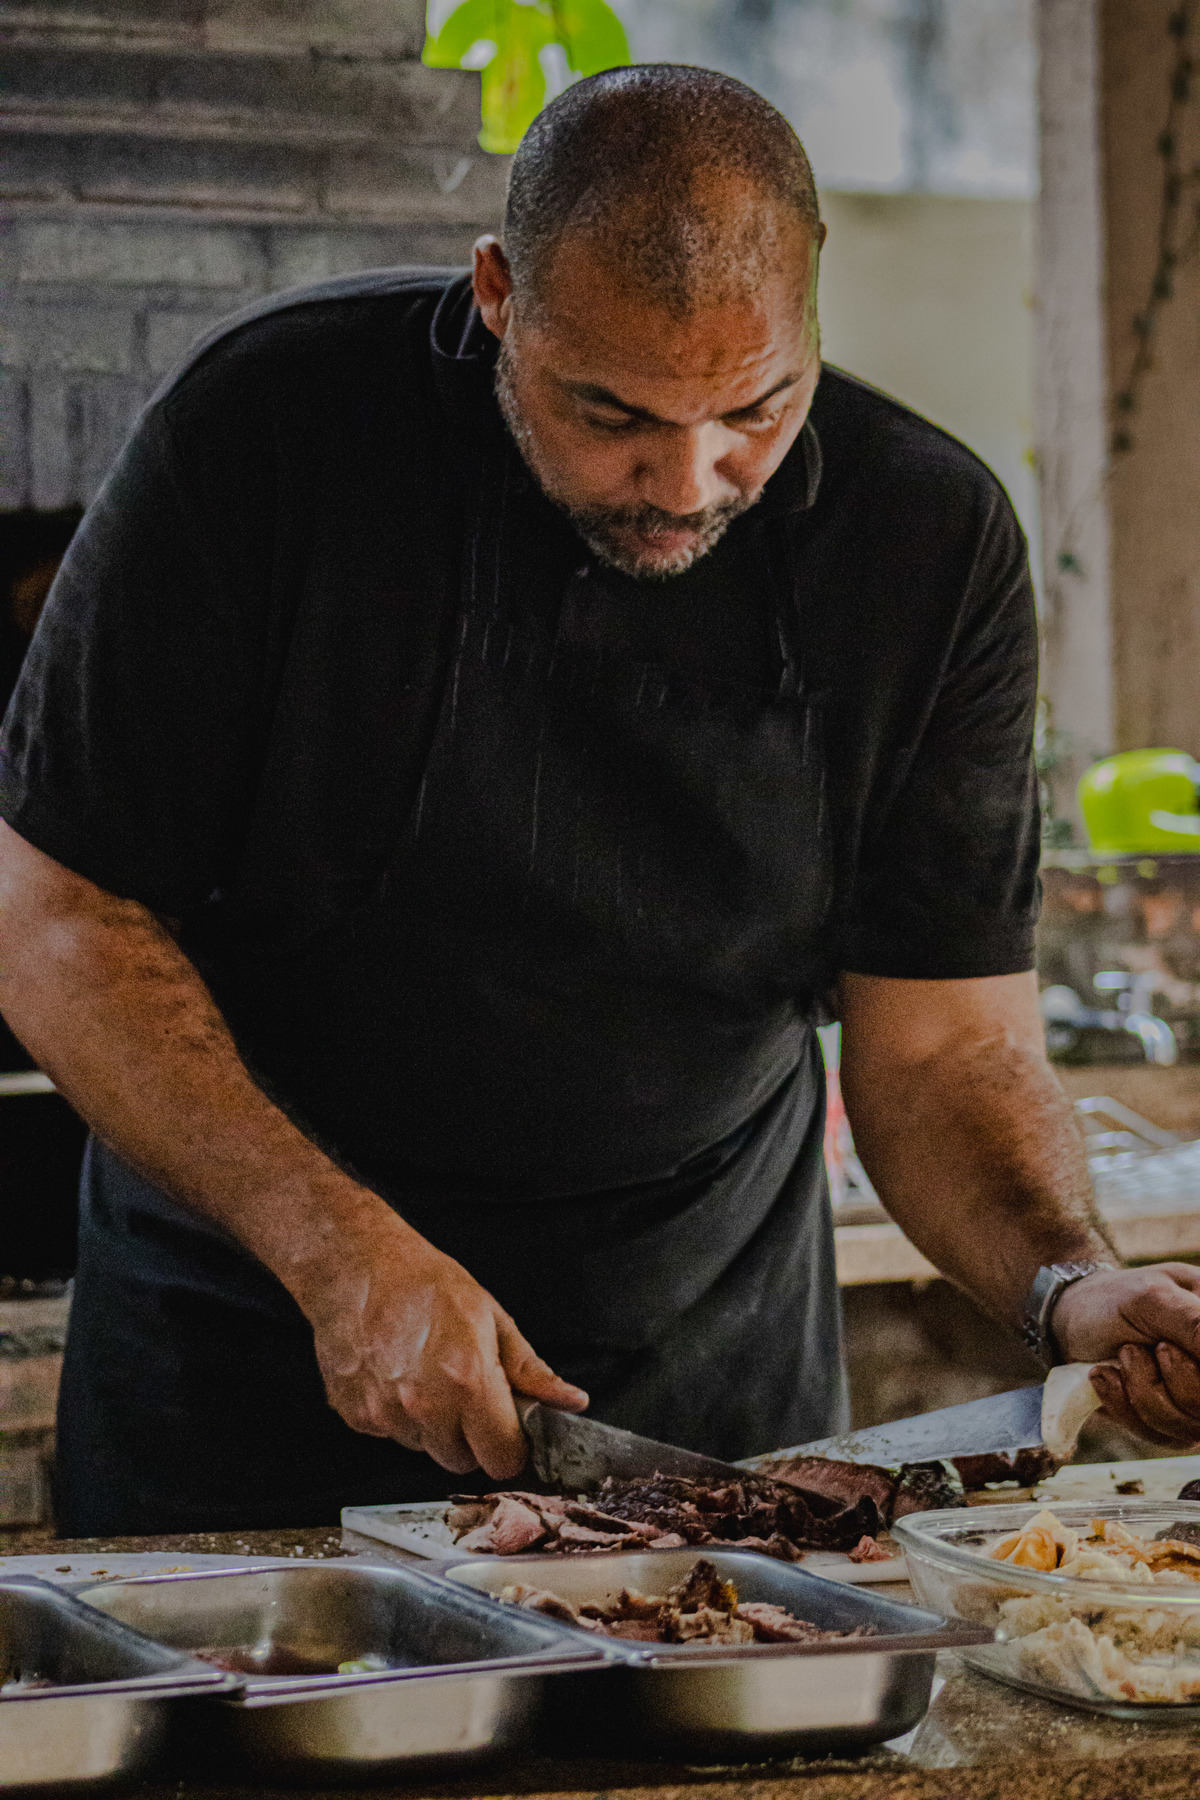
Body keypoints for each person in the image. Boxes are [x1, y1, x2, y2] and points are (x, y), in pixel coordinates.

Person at [1, 66, 1198, 1537]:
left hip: (703, 1412)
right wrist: (334, 1252)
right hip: (250, 1373)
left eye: (755, 407)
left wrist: (1067, 1284)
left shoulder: (924, 544)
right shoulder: (269, 430)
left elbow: (945, 1048)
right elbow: (58, 914)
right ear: (499, 295)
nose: (687, 482)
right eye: (610, 411)